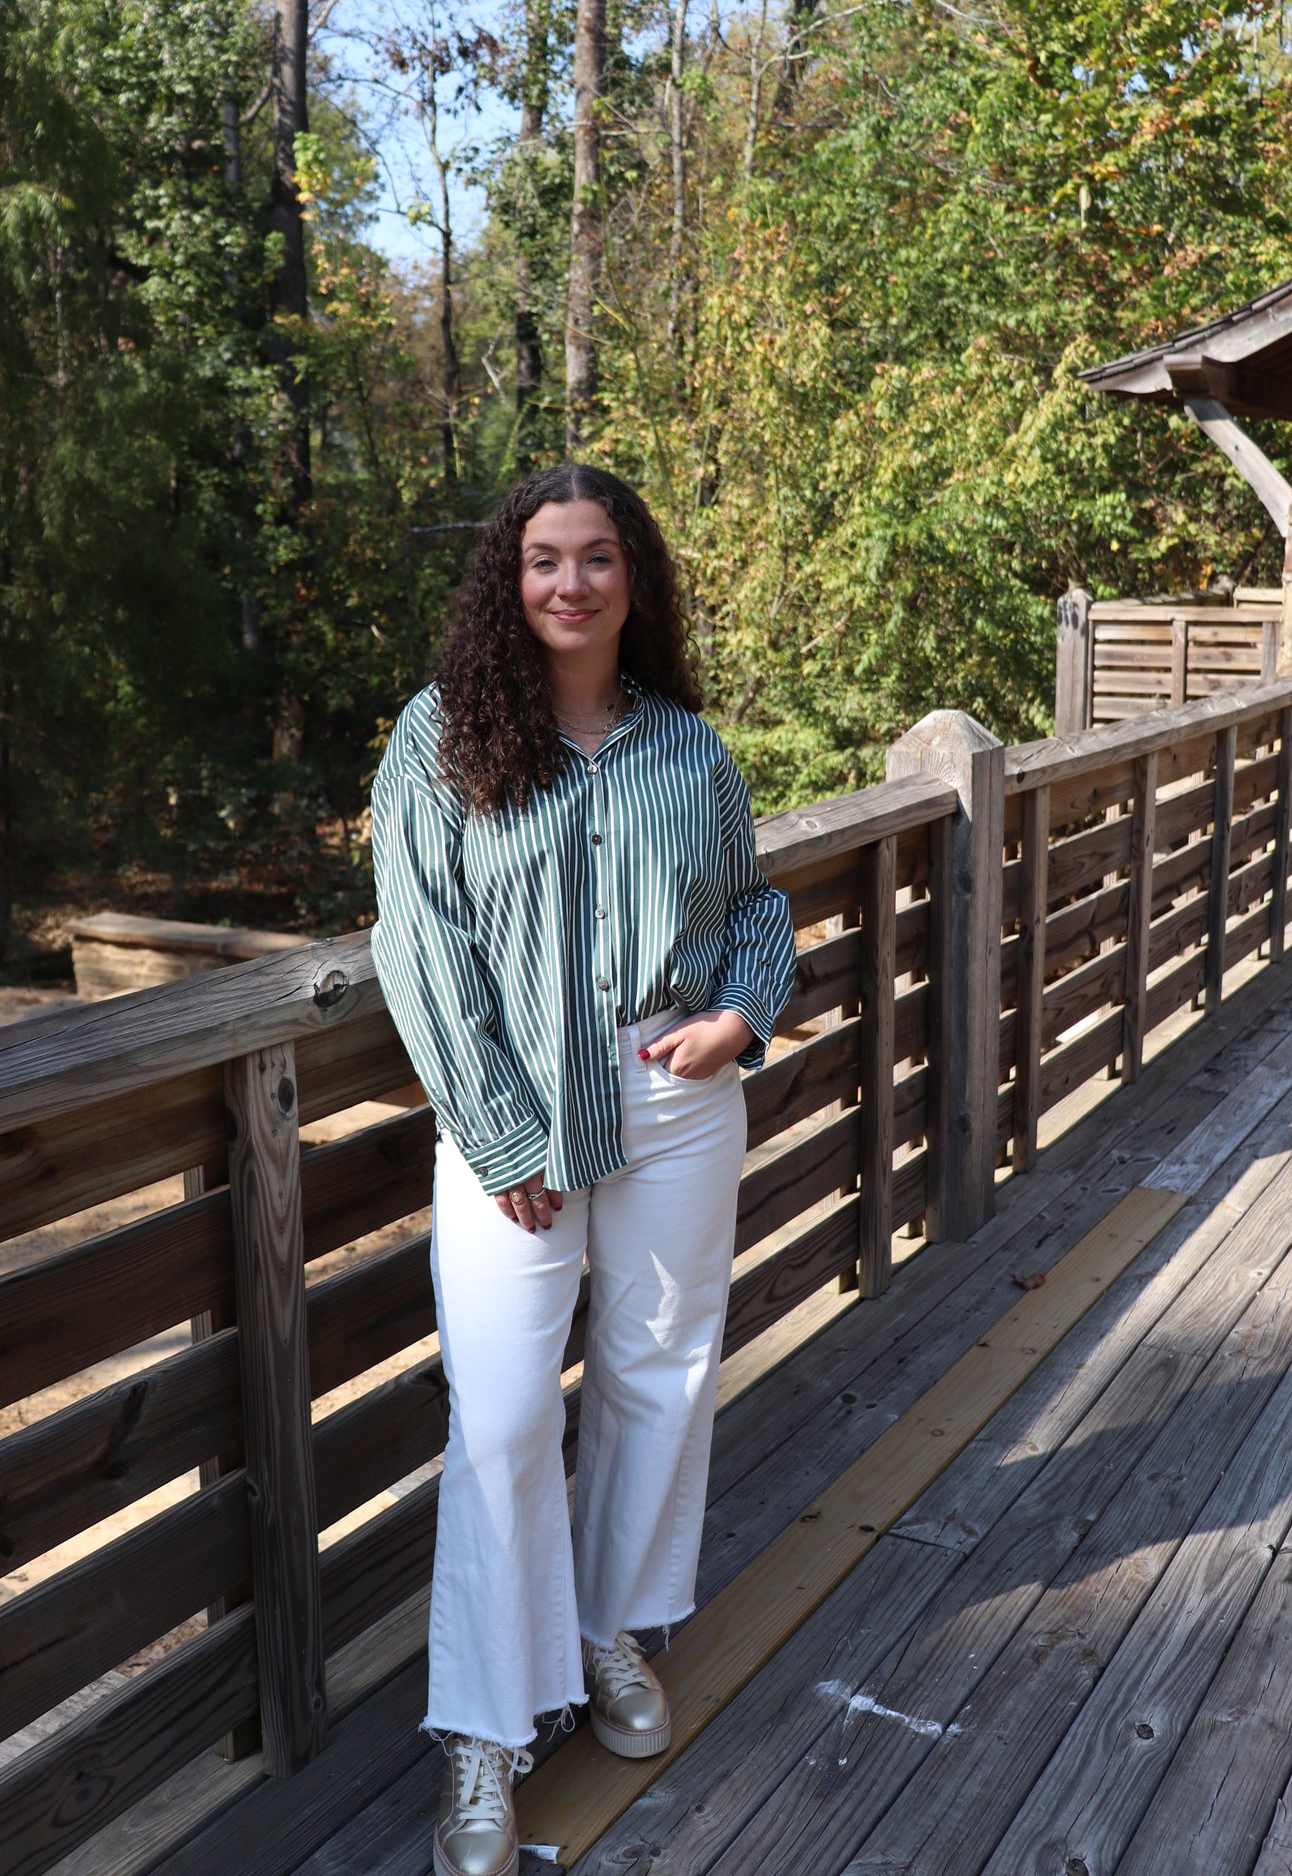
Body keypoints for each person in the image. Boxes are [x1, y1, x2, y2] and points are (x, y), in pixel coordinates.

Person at [370, 464, 795, 1876]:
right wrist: (498, 1131)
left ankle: (610, 1634)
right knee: (498, 1417)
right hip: (516, 1117)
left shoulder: (687, 747)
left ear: (634, 578)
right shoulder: (440, 739)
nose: (568, 583)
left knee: (655, 1375)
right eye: (542, 560)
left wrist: (744, 1013)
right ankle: (486, 1734)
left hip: (676, 1101)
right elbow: (418, 950)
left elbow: (754, 903)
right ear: (510, 579)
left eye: (596, 558)